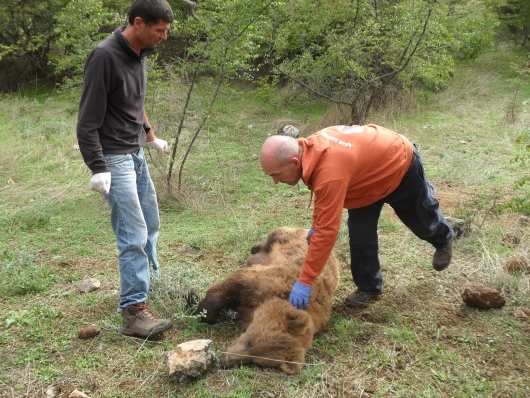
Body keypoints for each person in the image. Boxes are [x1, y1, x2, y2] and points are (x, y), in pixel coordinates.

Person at [260, 124, 453, 309]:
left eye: (275, 175)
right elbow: (321, 193)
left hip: (398, 166)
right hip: (363, 181)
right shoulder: (310, 152)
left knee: (421, 221)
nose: (276, 181)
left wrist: (305, 281)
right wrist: (315, 225)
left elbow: (328, 232)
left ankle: (444, 238)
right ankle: (369, 287)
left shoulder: (330, 170)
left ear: (294, 162)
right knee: (360, 234)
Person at [76, 0, 174, 337]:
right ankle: (134, 311)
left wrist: (150, 136)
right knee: (133, 233)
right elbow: (87, 121)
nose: (164, 37)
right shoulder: (105, 56)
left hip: (134, 151)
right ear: (138, 22)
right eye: (159, 30)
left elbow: (135, 101)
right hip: (113, 157)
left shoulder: (141, 53)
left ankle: (148, 283)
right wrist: (98, 166)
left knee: (151, 222)